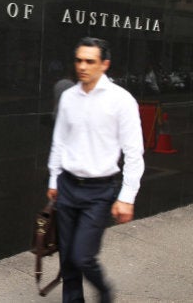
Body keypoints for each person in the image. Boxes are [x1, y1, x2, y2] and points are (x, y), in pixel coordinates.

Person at [46, 37, 145, 303]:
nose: (83, 66)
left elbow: (134, 152)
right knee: (67, 258)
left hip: (100, 190)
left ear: (105, 65)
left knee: (82, 256)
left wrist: (126, 197)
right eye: (79, 60)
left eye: (90, 61)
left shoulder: (121, 101)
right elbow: (59, 141)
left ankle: (104, 291)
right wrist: (54, 179)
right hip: (67, 185)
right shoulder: (68, 97)